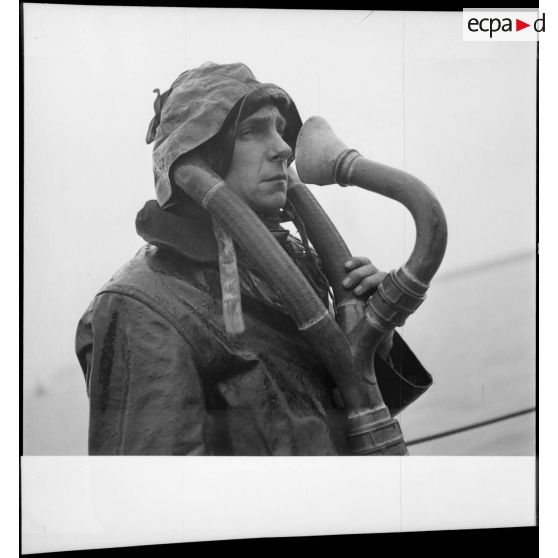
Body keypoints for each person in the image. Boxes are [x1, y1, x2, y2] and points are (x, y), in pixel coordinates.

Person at [75, 62, 432, 455]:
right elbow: (155, 501)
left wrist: (371, 337)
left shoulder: (295, 261)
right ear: (203, 154)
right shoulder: (141, 306)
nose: (283, 148)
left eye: (280, 130)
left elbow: (353, 414)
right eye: (251, 132)